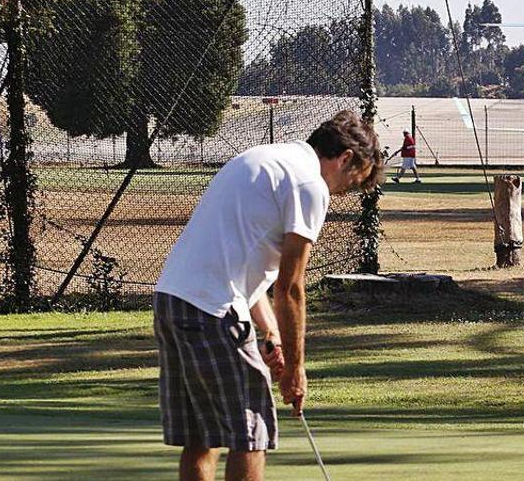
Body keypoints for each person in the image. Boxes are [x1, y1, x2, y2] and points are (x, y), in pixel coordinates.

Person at [153, 110, 383, 481]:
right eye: (352, 182)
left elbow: (246, 268)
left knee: (201, 436)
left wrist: (271, 333)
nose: (343, 192)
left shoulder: (264, 157)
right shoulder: (310, 184)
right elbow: (290, 287)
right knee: (251, 431)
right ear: (345, 159)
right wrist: (295, 368)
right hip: (213, 310)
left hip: (172, 300)